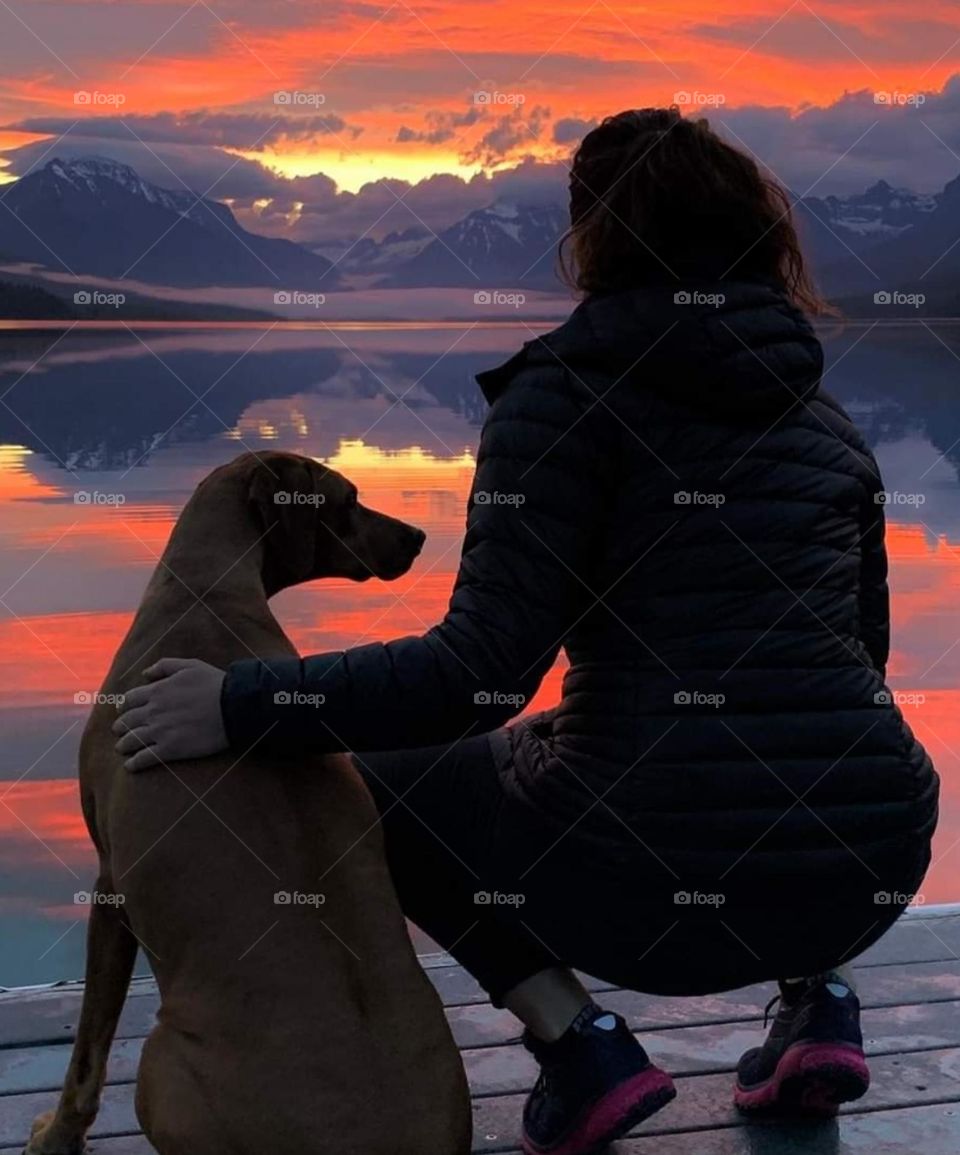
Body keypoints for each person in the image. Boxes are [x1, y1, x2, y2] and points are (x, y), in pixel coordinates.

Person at [114, 108, 939, 1154]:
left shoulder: (560, 396)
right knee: (784, 736)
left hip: (644, 891)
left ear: (595, 234)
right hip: (872, 857)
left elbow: (476, 676)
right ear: (754, 237)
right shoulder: (827, 422)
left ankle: (579, 1042)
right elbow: (859, 660)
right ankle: (821, 1005)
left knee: (380, 779)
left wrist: (238, 702)